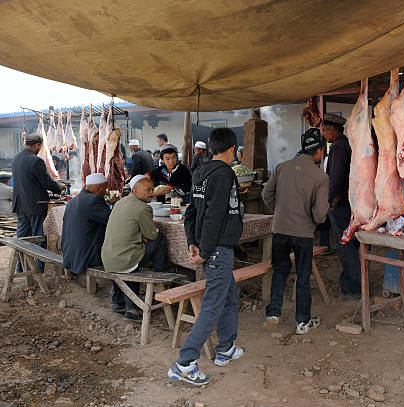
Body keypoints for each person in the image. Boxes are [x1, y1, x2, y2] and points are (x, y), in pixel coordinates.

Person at [168, 128, 244, 386]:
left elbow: (191, 213)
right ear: (232, 148)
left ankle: (226, 347)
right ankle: (185, 363)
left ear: (211, 148)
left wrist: (193, 243)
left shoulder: (200, 172)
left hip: (213, 248)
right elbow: (213, 216)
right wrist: (206, 251)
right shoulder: (224, 174)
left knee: (230, 296)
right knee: (212, 305)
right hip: (218, 250)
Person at [262, 128, 329, 334]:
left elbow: (266, 193)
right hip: (303, 233)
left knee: (280, 270)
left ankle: (273, 313)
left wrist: (280, 211)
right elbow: (320, 215)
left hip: (280, 229)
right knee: (302, 274)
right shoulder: (320, 177)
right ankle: (302, 322)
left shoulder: (282, 167)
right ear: (319, 151)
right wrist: (311, 219)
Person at [101, 175, 169, 321]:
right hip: (125, 259)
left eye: (152, 189)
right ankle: (158, 276)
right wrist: (145, 237)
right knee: (160, 239)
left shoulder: (119, 203)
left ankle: (118, 303)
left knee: (129, 254)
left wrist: (140, 237)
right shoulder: (143, 208)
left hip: (108, 257)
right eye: (148, 190)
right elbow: (152, 235)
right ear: (135, 190)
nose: (152, 193)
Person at [321, 113, 361, 300]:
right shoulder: (347, 144)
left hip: (340, 203)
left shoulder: (337, 148)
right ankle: (357, 281)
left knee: (345, 244)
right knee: (352, 241)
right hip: (351, 201)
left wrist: (328, 200)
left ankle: (352, 287)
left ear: (333, 130)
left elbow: (335, 179)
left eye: (324, 130)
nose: (323, 134)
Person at [13, 133, 65, 271]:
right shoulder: (36, 161)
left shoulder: (16, 158)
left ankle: (21, 267)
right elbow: (46, 182)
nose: (40, 148)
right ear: (36, 145)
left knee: (23, 238)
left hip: (21, 205)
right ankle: (39, 267)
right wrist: (60, 188)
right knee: (38, 237)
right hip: (36, 205)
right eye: (40, 146)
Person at [61, 173, 117, 276]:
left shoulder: (73, 201)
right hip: (86, 257)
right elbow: (113, 220)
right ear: (98, 188)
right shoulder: (94, 200)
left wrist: (108, 203)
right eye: (104, 189)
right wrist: (115, 204)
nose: (105, 192)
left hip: (70, 255)